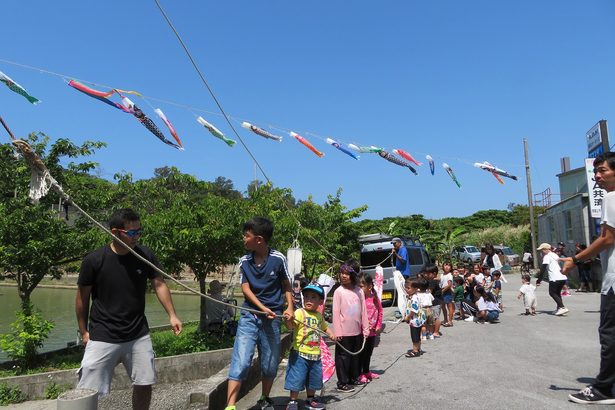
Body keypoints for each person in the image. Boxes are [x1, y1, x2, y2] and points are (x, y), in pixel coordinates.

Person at [75, 208, 182, 409]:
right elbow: (82, 297)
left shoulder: (144, 255)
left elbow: (159, 284)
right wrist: (83, 331)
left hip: (137, 333)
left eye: (139, 231)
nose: (136, 237)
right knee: (87, 389)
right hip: (103, 334)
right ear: (115, 232)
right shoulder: (94, 260)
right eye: (132, 233)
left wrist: (172, 315)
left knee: (144, 383)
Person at [226, 217, 294, 410]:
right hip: (250, 314)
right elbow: (245, 288)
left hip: (272, 318)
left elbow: (286, 286)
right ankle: (230, 406)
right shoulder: (244, 261)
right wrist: (261, 308)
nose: (243, 239)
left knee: (270, 363)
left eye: (246, 236)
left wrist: (289, 307)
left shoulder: (278, 259)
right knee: (241, 359)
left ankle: (265, 397)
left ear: (259, 239)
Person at [565, 152, 615, 404]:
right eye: (595, 171)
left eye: (603, 170)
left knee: (610, 334)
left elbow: (607, 238)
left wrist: (574, 259)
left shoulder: (612, 197)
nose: (597, 176)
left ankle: (605, 389)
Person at [284, 283, 336, 410]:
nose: (309, 300)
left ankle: (310, 399)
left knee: (313, 378)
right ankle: (292, 401)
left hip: (315, 354)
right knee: (297, 377)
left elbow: (324, 327)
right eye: (306, 297)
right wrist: (287, 320)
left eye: (313, 297)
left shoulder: (318, 316)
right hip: (300, 353)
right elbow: (290, 326)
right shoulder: (299, 313)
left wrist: (331, 334)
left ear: (320, 302)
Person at [332, 260, 370, 393]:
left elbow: (363, 310)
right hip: (344, 332)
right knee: (343, 358)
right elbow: (336, 313)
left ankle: (354, 377)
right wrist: (337, 331)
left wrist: (366, 328)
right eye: (342, 273)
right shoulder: (339, 291)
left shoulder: (359, 291)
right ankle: (342, 382)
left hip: (357, 331)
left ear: (353, 275)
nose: (343, 276)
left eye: (347, 274)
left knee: (355, 357)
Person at [358, 274, 383, 383]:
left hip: (372, 332)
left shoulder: (375, 298)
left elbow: (380, 312)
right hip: (361, 332)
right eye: (358, 286)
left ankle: (367, 371)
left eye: (361, 286)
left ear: (369, 286)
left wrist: (378, 325)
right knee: (361, 354)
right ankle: (360, 373)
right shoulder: (358, 298)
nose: (359, 289)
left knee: (368, 353)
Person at [535, 243, 569, 316]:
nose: (542, 252)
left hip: (555, 278)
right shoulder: (554, 255)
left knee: (552, 293)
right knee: (557, 293)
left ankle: (562, 307)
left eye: (542, 250)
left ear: (546, 249)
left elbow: (543, 268)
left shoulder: (547, 257)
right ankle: (559, 308)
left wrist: (539, 280)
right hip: (562, 277)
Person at [403, 279, 426, 357]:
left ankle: (415, 351)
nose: (406, 289)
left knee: (414, 336)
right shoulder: (412, 296)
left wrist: (407, 317)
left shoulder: (414, 298)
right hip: (417, 320)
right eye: (405, 287)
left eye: (408, 288)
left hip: (414, 320)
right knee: (417, 335)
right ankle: (418, 349)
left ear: (415, 289)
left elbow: (414, 310)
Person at [440, 262, 454, 327]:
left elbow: (449, 285)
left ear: (451, 267)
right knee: (443, 306)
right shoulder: (442, 275)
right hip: (442, 291)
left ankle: (450, 321)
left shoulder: (449, 275)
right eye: (445, 265)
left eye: (448, 265)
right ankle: (445, 319)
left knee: (449, 306)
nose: (447, 267)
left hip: (447, 291)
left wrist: (442, 290)